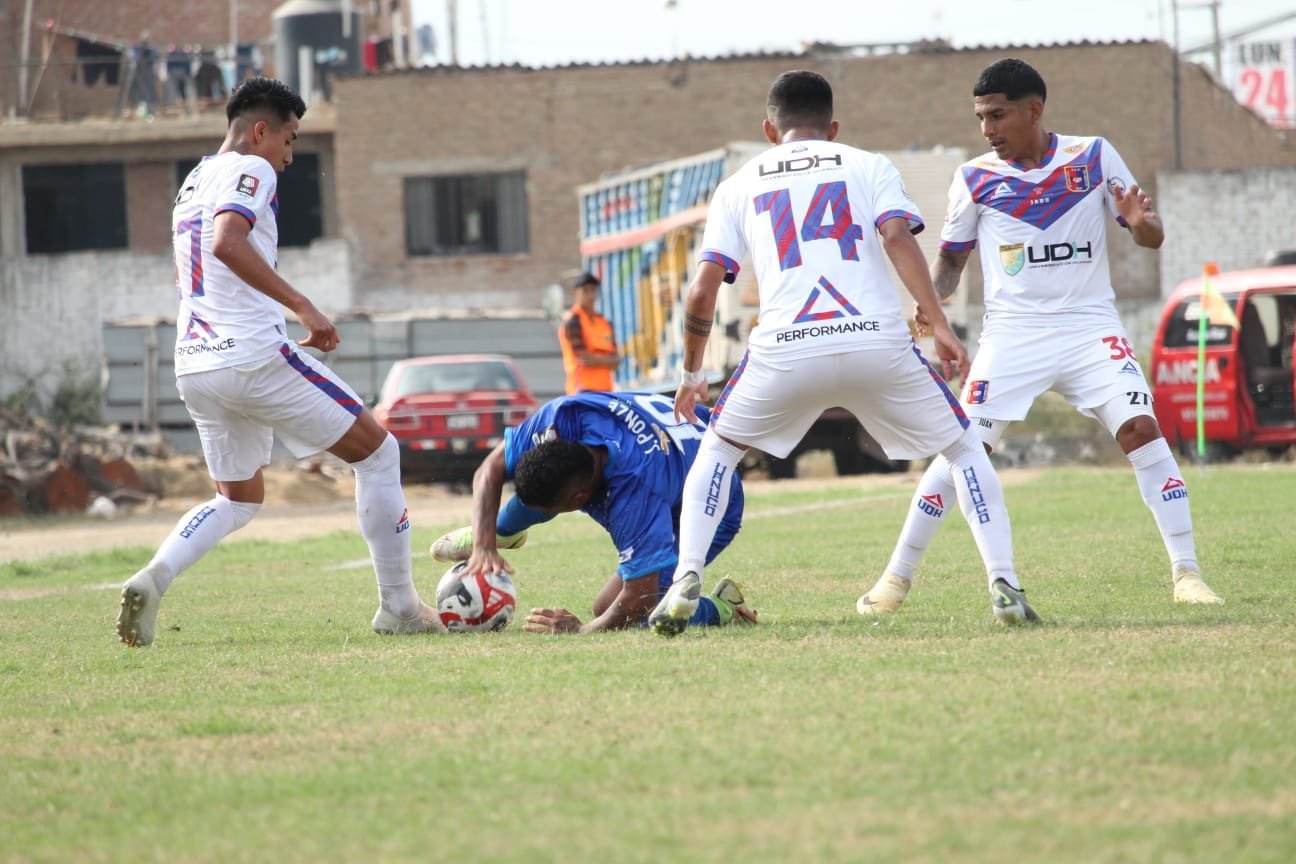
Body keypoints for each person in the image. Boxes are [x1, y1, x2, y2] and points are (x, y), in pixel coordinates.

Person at [648, 69, 1037, 637]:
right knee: (964, 449)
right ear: (833, 128)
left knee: (719, 452)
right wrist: (941, 325)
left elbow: (702, 289)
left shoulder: (738, 184)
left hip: (785, 350)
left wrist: (690, 373)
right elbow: (898, 239)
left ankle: (686, 577)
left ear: (768, 129)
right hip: (875, 343)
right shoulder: (867, 163)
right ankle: (1004, 584)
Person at [860, 57, 1223, 612]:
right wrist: (930, 307)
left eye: (997, 115)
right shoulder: (975, 177)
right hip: (1012, 337)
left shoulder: (1094, 156)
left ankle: (1188, 574)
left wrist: (1142, 220)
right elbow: (952, 262)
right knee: (964, 449)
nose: (987, 130)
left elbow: (1150, 236)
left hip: (1089, 328)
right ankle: (895, 580)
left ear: (1034, 109)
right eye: (980, 117)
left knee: (1142, 429)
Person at [116, 76, 445, 646]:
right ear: (260, 130)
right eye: (289, 140)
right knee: (379, 453)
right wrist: (303, 305)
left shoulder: (192, 179)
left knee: (236, 499)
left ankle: (155, 575)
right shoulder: (254, 168)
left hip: (195, 362)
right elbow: (227, 241)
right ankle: (399, 607)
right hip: (250, 355)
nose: (289, 158)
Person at [429, 391, 756, 634]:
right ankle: (498, 532)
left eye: (555, 510)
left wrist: (580, 630)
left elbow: (638, 596)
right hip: (673, 457)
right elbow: (491, 468)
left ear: (582, 498)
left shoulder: (633, 490)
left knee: (635, 613)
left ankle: (724, 607)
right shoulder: (561, 417)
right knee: (542, 490)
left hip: (711, 502)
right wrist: (484, 545)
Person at [557, 271, 619, 393]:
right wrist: (607, 359)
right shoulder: (572, 322)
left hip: (606, 390)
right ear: (575, 293)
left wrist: (598, 359)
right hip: (581, 390)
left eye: (593, 290)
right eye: (585, 291)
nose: (590, 295)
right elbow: (584, 358)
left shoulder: (604, 323)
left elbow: (617, 360)